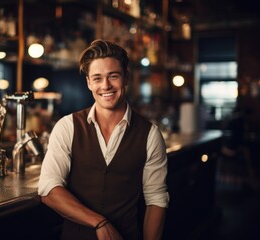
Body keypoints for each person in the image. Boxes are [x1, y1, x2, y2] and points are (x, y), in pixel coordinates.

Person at [38, 39, 169, 240]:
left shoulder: (150, 135)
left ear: (126, 77)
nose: (105, 85)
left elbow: (156, 200)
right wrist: (99, 223)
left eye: (113, 76)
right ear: (89, 82)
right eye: (97, 78)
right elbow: (48, 189)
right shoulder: (67, 127)